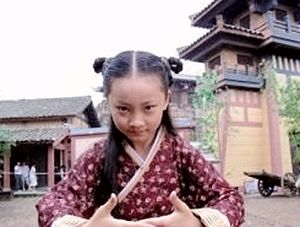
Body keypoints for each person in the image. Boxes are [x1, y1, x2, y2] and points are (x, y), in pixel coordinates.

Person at [36, 50, 244, 227]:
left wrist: (197, 222)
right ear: (108, 102)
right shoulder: (97, 156)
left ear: (166, 100)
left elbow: (230, 199)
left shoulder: (181, 153)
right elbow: (52, 202)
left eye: (148, 108)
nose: (136, 121)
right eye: (123, 109)